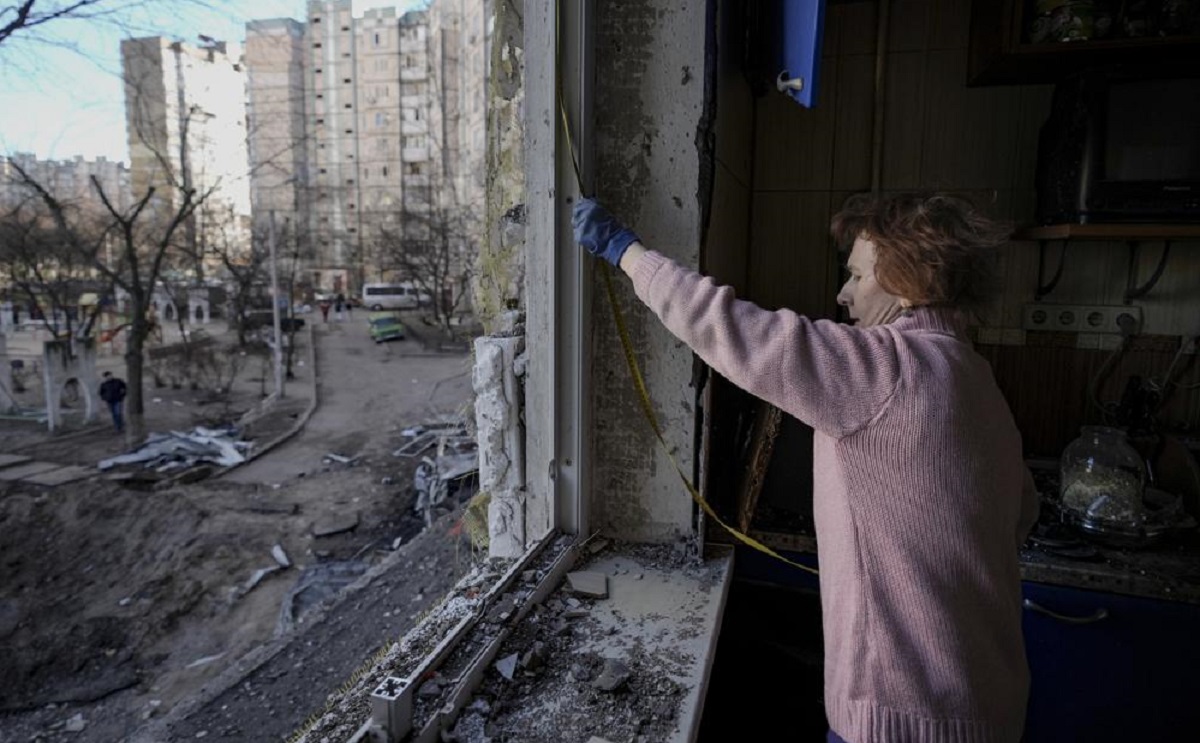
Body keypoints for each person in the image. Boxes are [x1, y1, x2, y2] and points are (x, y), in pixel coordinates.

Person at [573, 193, 1039, 743]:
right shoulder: (976, 380)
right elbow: (1022, 514)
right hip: (990, 709)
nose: (844, 294)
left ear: (913, 281)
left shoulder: (885, 368)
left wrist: (626, 252)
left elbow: (730, 329)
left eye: (860, 277)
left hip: (900, 718)